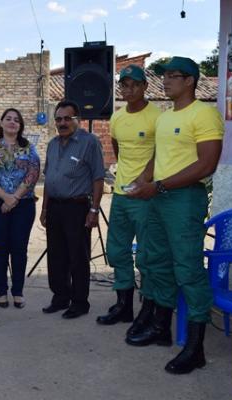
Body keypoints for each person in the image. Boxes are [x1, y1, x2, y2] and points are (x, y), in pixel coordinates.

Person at [125, 57, 224, 375]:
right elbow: (160, 154)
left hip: (184, 199)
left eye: (172, 76)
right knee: (155, 261)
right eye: (163, 76)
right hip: (159, 196)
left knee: (188, 268)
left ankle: (195, 348)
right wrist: (143, 179)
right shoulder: (167, 117)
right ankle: (161, 328)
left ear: (191, 80)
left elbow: (207, 164)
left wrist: (159, 186)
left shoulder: (204, 113)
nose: (165, 81)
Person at [96, 65, 161, 330]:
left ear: (145, 86)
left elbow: (162, 153)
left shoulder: (157, 116)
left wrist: (144, 179)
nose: (129, 89)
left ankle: (149, 308)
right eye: (124, 85)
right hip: (121, 195)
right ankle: (124, 305)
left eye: (135, 84)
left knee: (147, 255)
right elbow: (117, 147)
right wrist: (125, 177)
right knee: (116, 250)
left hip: (145, 195)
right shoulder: (117, 117)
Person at [40, 100, 105, 319]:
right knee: (56, 256)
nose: (62, 123)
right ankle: (60, 297)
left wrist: (94, 210)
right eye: (58, 119)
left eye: (67, 118)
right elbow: (49, 179)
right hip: (55, 208)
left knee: (77, 257)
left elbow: (98, 178)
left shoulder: (90, 142)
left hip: (77, 207)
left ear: (77, 119)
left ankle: (79, 302)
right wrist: (44, 209)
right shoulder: (52, 144)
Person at [0, 108, 40, 308]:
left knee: (19, 248)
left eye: (16, 120)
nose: (12, 122)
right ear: (1, 123)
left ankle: (18, 291)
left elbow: (33, 172)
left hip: (23, 202)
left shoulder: (29, 148)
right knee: (1, 247)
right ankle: (1, 290)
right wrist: (5, 197)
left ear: (21, 125)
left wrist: (14, 198)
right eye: (8, 119)